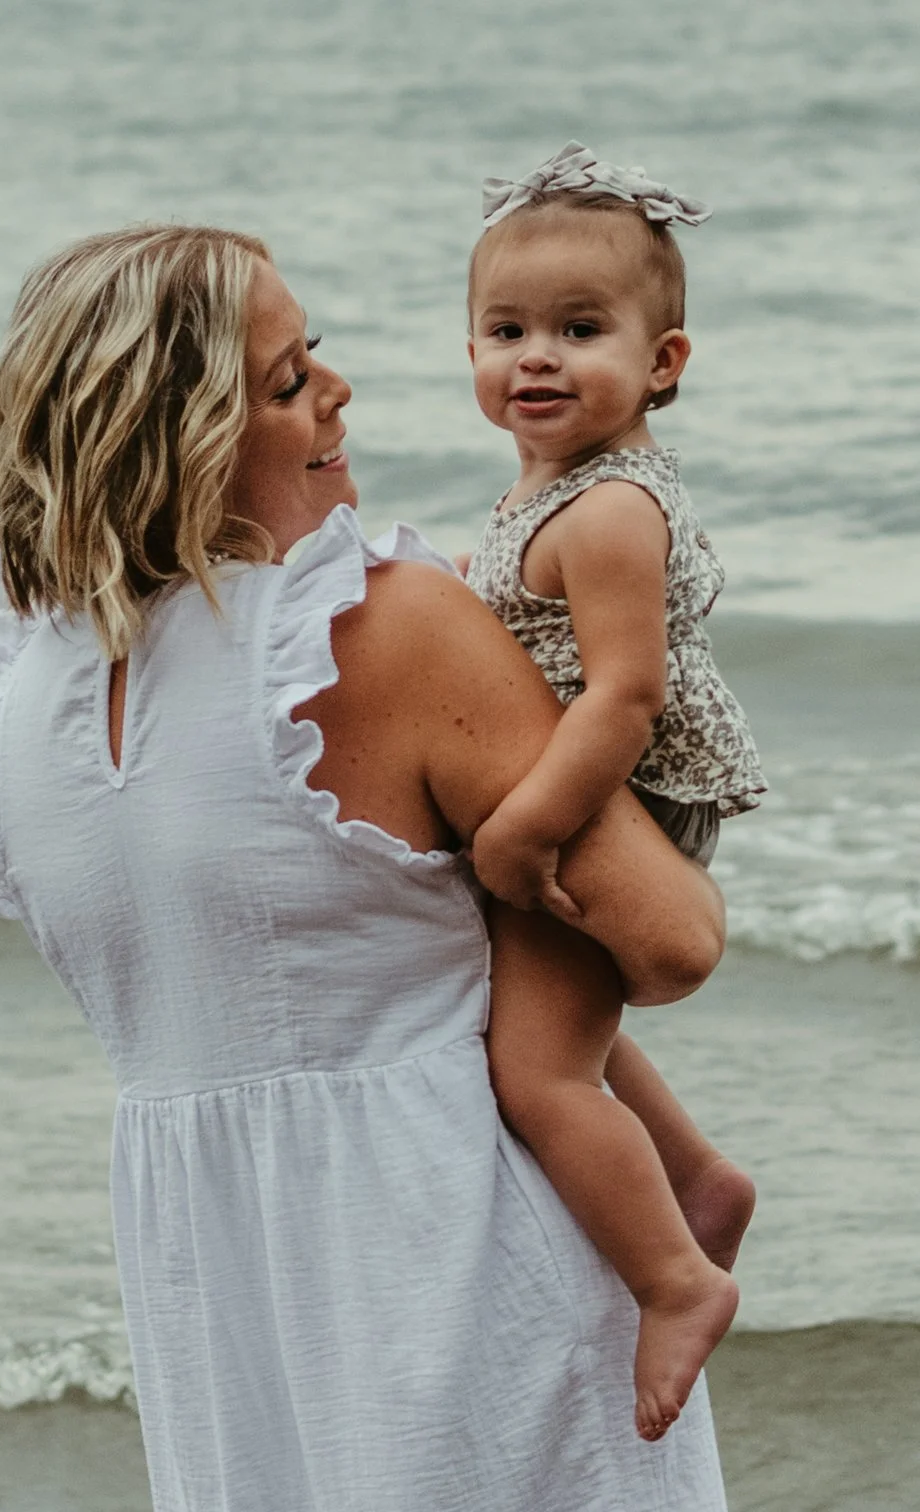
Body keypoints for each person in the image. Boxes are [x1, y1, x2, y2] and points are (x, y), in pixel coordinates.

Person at [0, 224, 731, 1510]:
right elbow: (673, 943)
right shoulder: (378, 624)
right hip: (462, 1271)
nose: (338, 392)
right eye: (291, 381)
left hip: (217, 1304)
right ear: (184, 436)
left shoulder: (15, 702)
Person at [460, 142, 764, 1439]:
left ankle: (675, 1278)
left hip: (617, 793)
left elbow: (625, 696)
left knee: (538, 1078)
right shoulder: (554, 482)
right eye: (507, 331)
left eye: (580, 331)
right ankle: (696, 1178)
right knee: (562, 1030)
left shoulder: (608, 512)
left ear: (663, 362)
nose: (536, 358)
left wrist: (525, 828)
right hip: (601, 785)